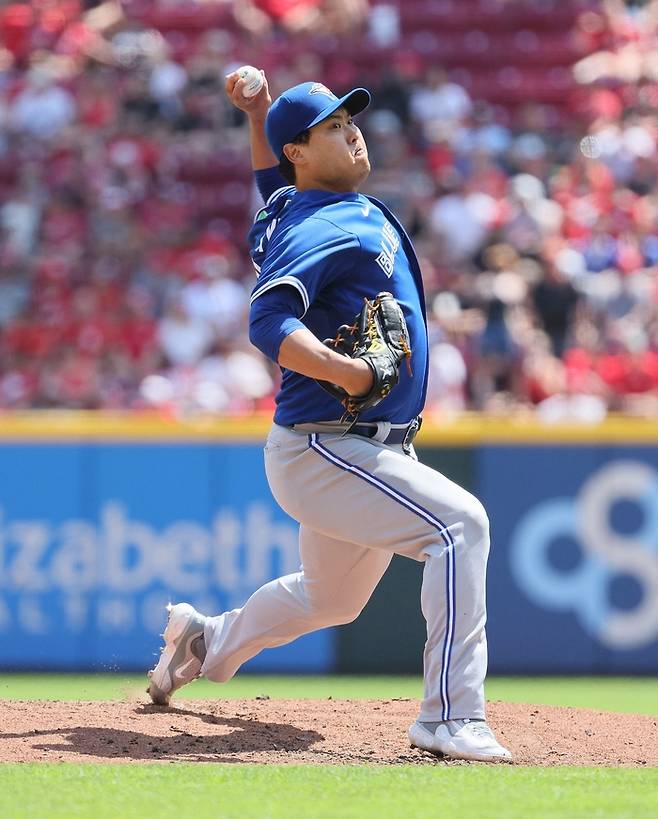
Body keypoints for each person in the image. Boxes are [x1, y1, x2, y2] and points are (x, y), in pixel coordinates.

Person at [146, 69, 512, 763]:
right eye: (333, 128)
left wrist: (258, 115)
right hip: (326, 444)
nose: (353, 131)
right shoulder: (320, 223)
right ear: (301, 153)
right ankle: (450, 716)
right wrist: (344, 370)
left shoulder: (290, 208)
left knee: (331, 599)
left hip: (359, 448)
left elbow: (270, 179)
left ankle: (204, 638)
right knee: (462, 526)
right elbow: (267, 319)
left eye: (352, 120)